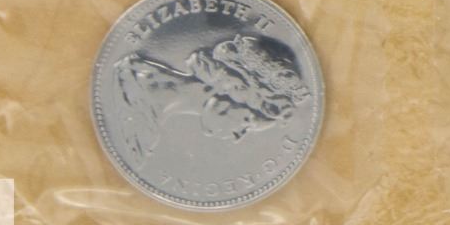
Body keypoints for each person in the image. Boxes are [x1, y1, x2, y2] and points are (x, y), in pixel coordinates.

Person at [113, 33, 312, 162]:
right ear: (234, 91)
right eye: (247, 120)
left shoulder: (144, 132)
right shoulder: (139, 133)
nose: (238, 136)